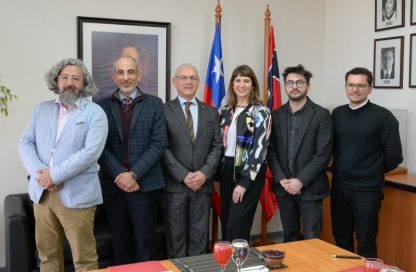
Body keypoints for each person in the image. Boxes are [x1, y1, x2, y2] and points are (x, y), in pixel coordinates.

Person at [19, 58, 108, 271]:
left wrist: (54, 175)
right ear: (56, 81)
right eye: (65, 77)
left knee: (84, 259)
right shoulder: (41, 109)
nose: (70, 82)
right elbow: (26, 142)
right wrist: (42, 175)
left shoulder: (95, 113)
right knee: (47, 256)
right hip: (42, 193)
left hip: (77, 196)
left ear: (84, 83)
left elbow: (90, 153)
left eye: (76, 78)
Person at [98, 56, 166, 264]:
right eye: (120, 72)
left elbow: (159, 143)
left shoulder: (154, 104)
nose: (125, 77)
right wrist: (120, 175)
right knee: (121, 245)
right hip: (114, 186)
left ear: (139, 75)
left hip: (145, 186)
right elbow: (99, 147)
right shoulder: (101, 107)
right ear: (114, 76)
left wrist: (134, 175)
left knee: (146, 244)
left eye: (130, 72)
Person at [331, 67, 403, 258]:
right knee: (341, 240)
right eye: (351, 85)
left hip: (367, 191)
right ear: (346, 87)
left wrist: (371, 170)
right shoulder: (337, 114)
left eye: (361, 85)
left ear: (370, 88)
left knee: (366, 242)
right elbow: (330, 149)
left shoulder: (384, 117)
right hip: (339, 188)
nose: (355, 89)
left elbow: (394, 156)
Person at [267, 64, 333, 242]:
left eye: (299, 82)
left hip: (310, 189)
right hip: (284, 188)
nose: (294, 86)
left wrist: (300, 181)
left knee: (313, 239)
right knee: (289, 237)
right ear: (285, 86)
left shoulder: (322, 115)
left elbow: (323, 154)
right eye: (290, 83)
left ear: (308, 86)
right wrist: (282, 180)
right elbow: (271, 151)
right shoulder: (275, 115)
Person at [162, 63, 222, 257]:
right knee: (175, 239)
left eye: (193, 78)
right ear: (174, 82)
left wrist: (204, 173)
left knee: (200, 239)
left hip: (202, 186)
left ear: (198, 82)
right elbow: (162, 147)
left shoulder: (211, 111)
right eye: (183, 77)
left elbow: (217, 146)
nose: (188, 81)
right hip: (175, 186)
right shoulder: (163, 110)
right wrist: (184, 175)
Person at [215, 65, 271, 242]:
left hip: (249, 173)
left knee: (237, 226)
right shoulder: (225, 111)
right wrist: (217, 177)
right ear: (232, 84)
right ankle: (228, 265)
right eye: (237, 80)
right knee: (226, 223)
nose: (242, 84)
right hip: (226, 171)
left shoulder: (261, 112)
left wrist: (244, 182)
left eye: (246, 80)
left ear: (252, 85)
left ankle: (239, 265)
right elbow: (219, 146)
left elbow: (260, 149)